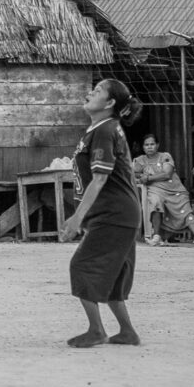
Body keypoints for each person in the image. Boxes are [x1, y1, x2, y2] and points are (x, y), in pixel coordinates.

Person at [58, 78, 143, 348]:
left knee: (82, 266)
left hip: (114, 214)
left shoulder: (105, 130)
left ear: (109, 103)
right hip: (120, 213)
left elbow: (100, 178)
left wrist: (76, 218)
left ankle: (96, 330)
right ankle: (127, 332)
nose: (89, 93)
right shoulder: (102, 128)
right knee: (114, 274)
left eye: (96, 91)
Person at [132, 133, 194, 245]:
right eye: (146, 145)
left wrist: (148, 177)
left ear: (157, 145)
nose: (149, 147)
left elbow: (167, 174)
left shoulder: (165, 156)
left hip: (174, 189)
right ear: (143, 147)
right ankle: (156, 236)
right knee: (155, 202)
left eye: (152, 144)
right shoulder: (141, 160)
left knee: (185, 209)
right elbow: (132, 172)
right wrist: (141, 176)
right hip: (156, 189)